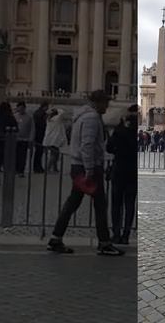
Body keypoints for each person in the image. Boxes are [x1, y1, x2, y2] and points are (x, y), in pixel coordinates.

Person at [47, 90, 124, 256]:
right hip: (87, 168)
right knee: (100, 205)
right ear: (99, 102)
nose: (107, 106)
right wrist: (89, 169)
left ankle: (56, 238)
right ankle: (104, 243)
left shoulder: (84, 116)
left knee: (73, 203)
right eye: (106, 103)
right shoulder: (91, 118)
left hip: (79, 166)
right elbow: (87, 145)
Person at [106, 106, 137, 245]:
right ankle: (126, 234)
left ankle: (116, 233)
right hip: (133, 171)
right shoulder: (136, 132)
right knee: (130, 204)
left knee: (116, 203)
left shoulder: (119, 131)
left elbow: (109, 148)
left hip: (119, 170)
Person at [42, 108, 67, 172]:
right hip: (55, 139)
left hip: (49, 139)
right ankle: (48, 168)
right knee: (54, 154)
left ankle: (54, 168)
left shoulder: (49, 119)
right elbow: (62, 112)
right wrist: (57, 109)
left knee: (55, 154)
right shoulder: (57, 119)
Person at [14, 101, 34, 177]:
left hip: (25, 140)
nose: (21, 109)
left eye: (22, 108)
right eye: (20, 108)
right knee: (15, 155)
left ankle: (21, 170)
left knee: (22, 156)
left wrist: (31, 138)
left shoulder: (29, 117)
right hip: (16, 139)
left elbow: (32, 128)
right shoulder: (15, 116)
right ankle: (15, 169)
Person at [32, 101, 49, 173]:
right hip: (39, 134)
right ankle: (37, 167)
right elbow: (42, 124)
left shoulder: (37, 112)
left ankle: (37, 167)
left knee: (38, 152)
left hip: (38, 134)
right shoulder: (41, 114)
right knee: (39, 152)